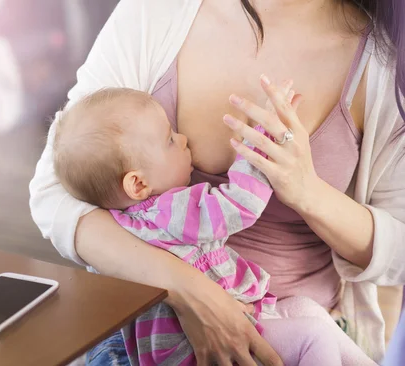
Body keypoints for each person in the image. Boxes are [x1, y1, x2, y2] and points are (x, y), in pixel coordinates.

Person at [29, 0, 405, 364]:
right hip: (149, 335)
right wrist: (186, 290)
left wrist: (309, 192)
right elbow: (53, 191)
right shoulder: (157, 12)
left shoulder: (384, 63)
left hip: (296, 333)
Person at [53, 86, 375, 365]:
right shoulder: (170, 213)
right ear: (138, 185)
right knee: (313, 335)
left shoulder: (121, 223)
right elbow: (239, 204)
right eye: (169, 140)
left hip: (187, 342)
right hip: (197, 351)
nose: (182, 139)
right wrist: (261, 143)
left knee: (307, 309)